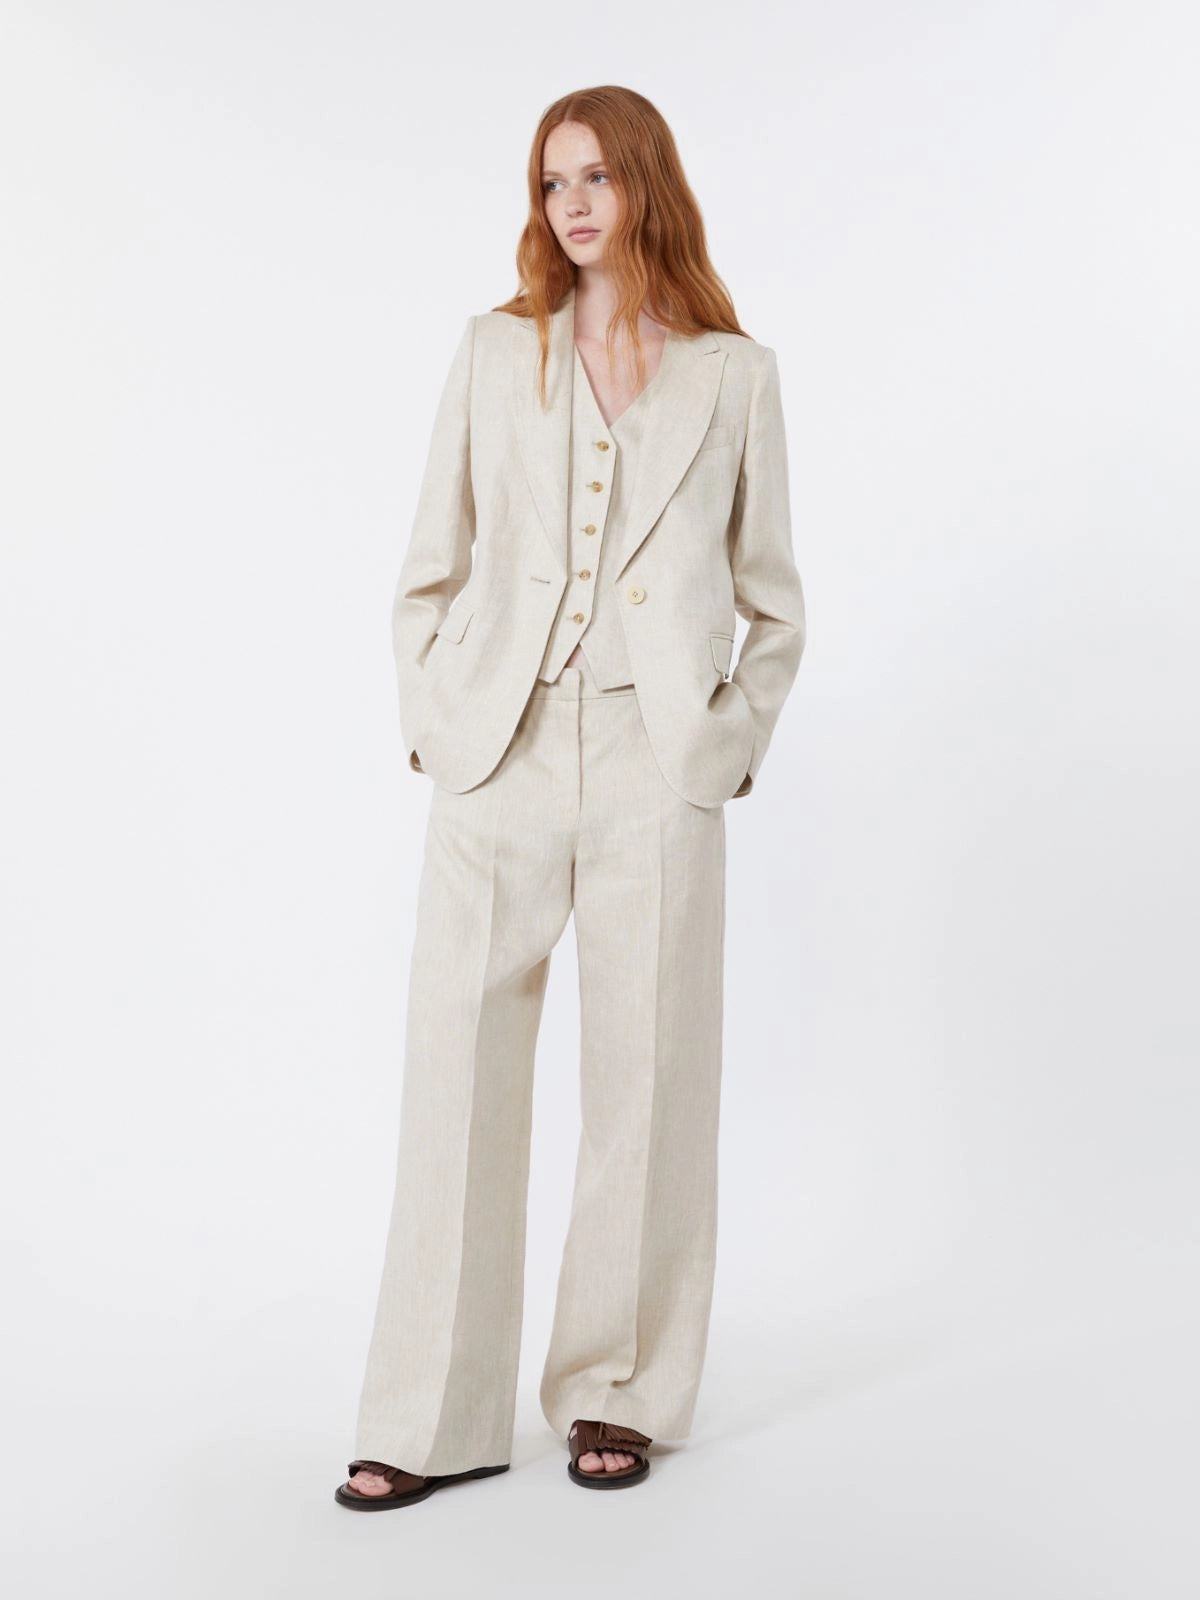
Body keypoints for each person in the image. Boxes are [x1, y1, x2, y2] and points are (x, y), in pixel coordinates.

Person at [335, 83, 805, 1509]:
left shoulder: (734, 376)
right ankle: (430, 1413)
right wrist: (436, 716)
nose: (573, 204)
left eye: (597, 176)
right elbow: (428, 565)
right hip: (501, 751)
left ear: (647, 182)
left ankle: (619, 1391)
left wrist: (724, 739)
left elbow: (774, 603)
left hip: (660, 765)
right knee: (457, 1077)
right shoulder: (497, 352)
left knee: (648, 1081)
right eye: (553, 182)